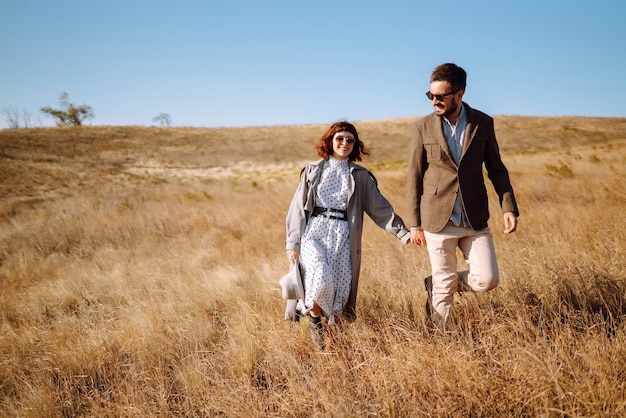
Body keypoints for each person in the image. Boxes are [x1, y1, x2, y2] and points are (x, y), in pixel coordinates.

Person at [406, 63, 519, 332]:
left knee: (488, 279)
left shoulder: (483, 123)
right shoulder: (422, 127)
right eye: (430, 95)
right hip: (437, 218)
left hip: (474, 217)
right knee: (444, 287)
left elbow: (496, 168)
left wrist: (509, 207)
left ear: (459, 94)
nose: (435, 101)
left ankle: (435, 283)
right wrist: (414, 224)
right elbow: (414, 175)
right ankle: (446, 343)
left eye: (440, 96)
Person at [286, 121, 410, 349]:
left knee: (340, 290)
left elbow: (380, 209)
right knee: (319, 275)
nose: (345, 143)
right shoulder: (313, 170)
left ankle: (334, 348)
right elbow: (297, 208)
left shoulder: (360, 176)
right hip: (315, 232)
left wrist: (404, 234)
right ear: (330, 141)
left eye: (350, 140)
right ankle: (314, 320)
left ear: (355, 144)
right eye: (340, 138)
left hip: (344, 236)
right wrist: (292, 243)